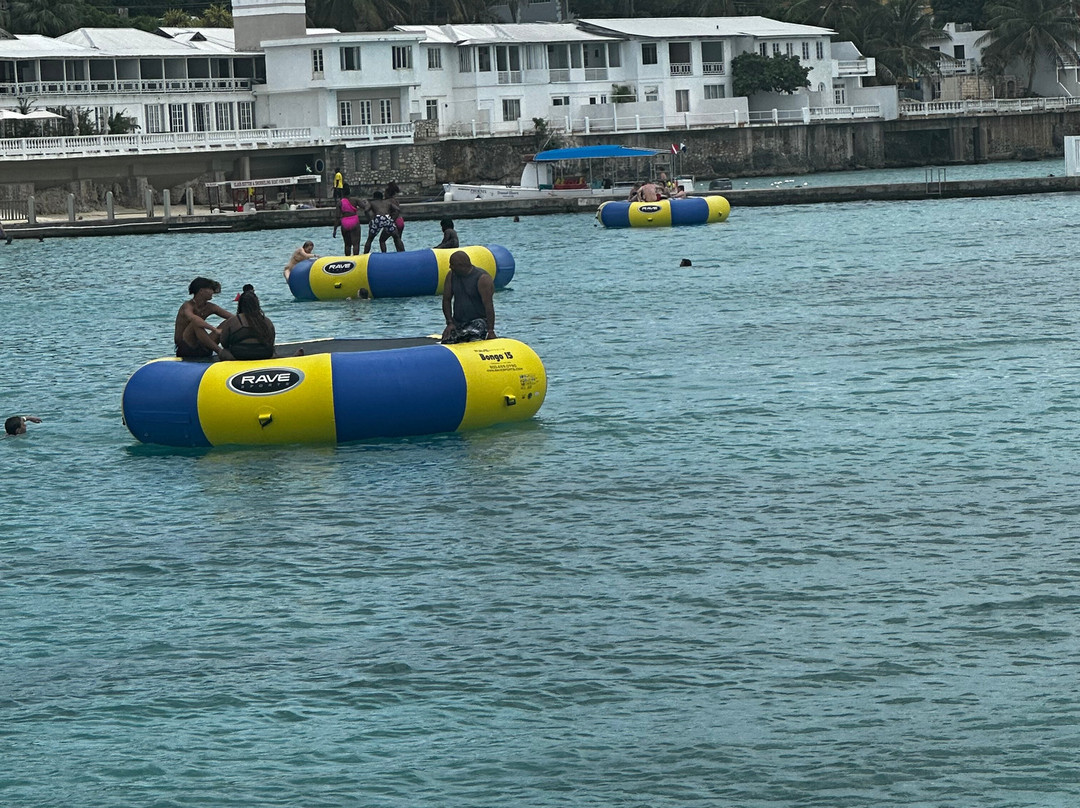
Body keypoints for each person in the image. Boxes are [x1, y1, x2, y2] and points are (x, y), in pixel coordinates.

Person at [441, 250, 495, 344]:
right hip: (458, 322)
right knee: (448, 340)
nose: (450, 267)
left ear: (461, 265)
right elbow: (446, 300)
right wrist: (450, 323)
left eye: (452, 265)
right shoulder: (451, 275)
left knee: (471, 336)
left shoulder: (482, 279)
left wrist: (490, 330)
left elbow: (488, 306)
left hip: (478, 322)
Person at [175, 277, 233, 360]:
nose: (212, 292)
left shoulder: (210, 307)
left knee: (229, 322)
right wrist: (214, 330)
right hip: (186, 348)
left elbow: (234, 318)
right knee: (195, 323)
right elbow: (194, 319)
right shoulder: (187, 306)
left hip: (203, 348)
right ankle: (220, 351)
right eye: (210, 289)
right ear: (201, 291)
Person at [219, 285, 276, 360]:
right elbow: (271, 341)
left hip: (239, 354)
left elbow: (224, 342)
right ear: (257, 304)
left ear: (240, 304)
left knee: (223, 352)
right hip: (264, 354)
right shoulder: (266, 321)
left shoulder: (234, 320)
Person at [383, 181, 405, 251]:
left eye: (385, 193)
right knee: (398, 239)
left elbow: (395, 211)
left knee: (382, 240)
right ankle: (401, 252)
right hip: (400, 220)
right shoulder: (395, 200)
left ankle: (384, 254)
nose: (384, 195)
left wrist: (391, 221)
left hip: (395, 221)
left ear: (388, 193)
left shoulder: (388, 201)